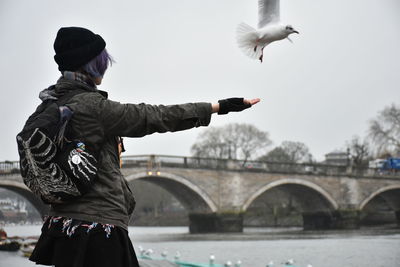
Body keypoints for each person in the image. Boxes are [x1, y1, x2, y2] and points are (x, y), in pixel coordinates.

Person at [28, 26, 260, 267]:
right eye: (102, 61)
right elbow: (154, 116)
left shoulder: (48, 106)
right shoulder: (93, 107)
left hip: (62, 228)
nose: (106, 67)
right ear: (91, 64)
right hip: (98, 229)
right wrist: (218, 107)